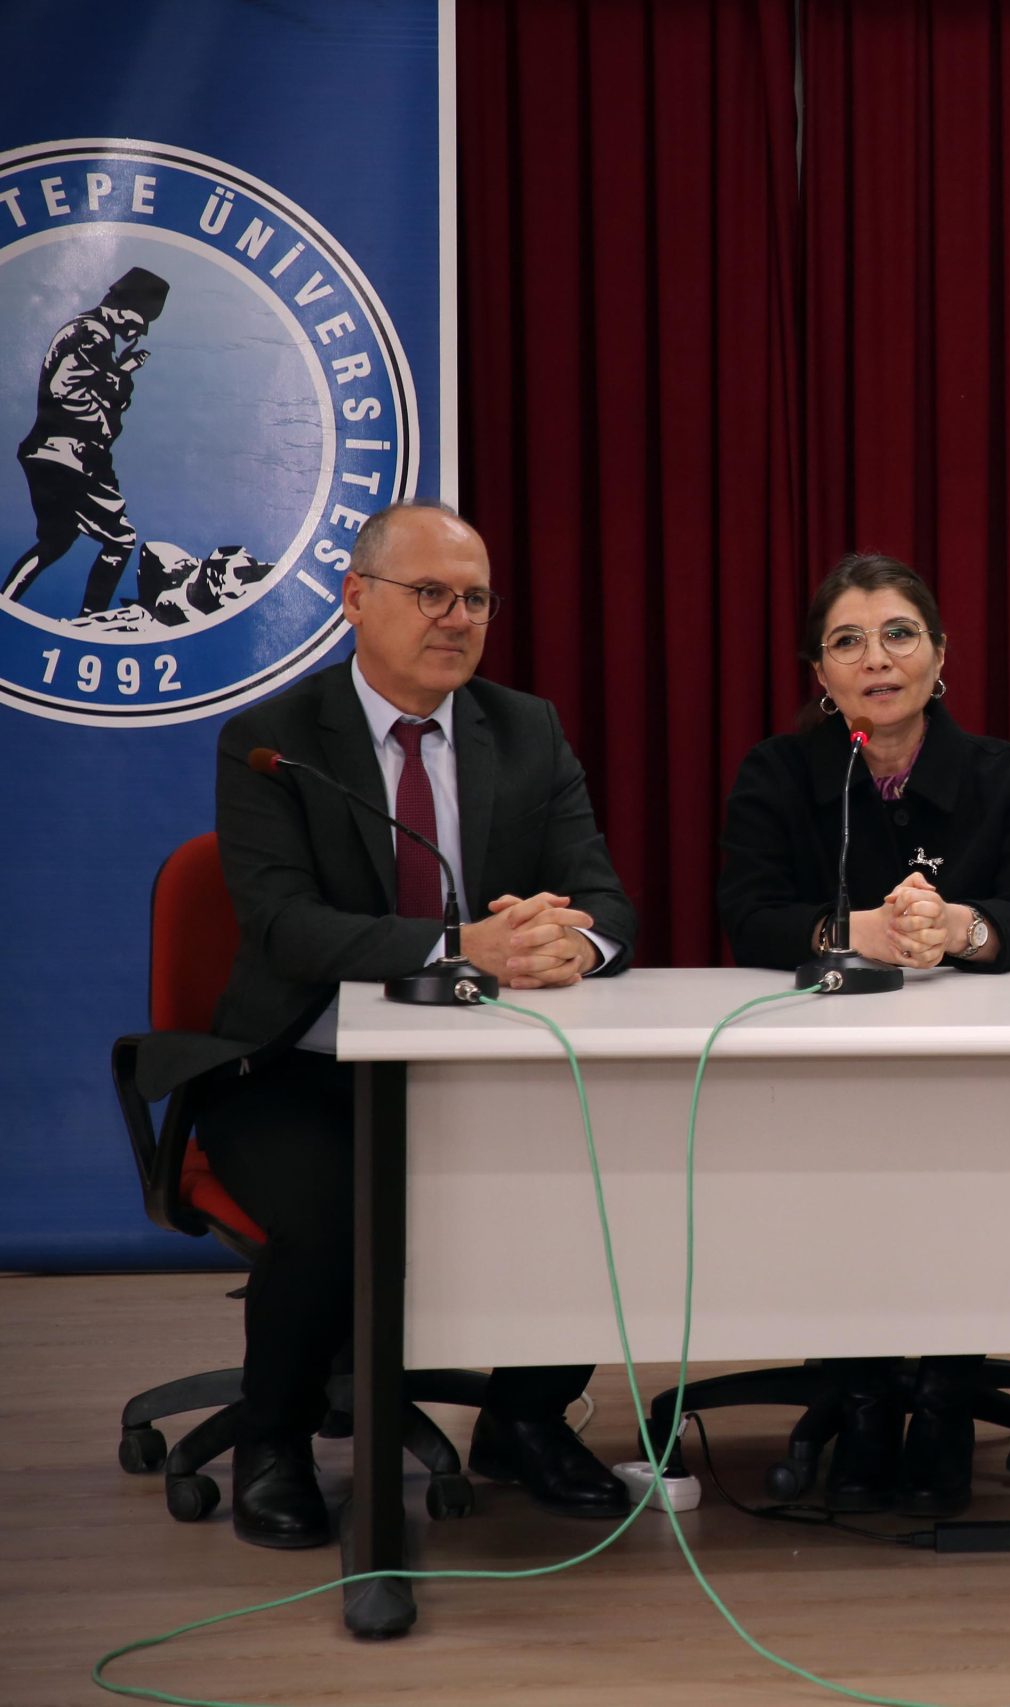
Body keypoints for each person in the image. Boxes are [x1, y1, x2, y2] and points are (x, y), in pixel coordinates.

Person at [137, 502, 640, 1548]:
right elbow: (284, 926)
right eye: (431, 594)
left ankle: (526, 1421)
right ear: (356, 598)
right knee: (332, 1209)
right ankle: (275, 1439)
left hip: (477, 1068)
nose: (456, 618)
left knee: (596, 1172)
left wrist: (573, 945)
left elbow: (602, 897)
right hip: (295, 1063)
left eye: (476, 599)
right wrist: (460, 945)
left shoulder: (526, 730)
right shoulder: (275, 741)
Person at [717, 551, 1010, 1516]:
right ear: (821, 675)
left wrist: (961, 928)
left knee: (961, 1187)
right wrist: (855, 932)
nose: (876, 659)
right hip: (813, 1070)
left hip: (972, 1075)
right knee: (842, 1190)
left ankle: (948, 1397)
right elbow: (747, 915)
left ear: (940, 654)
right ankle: (863, 1398)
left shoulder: (1003, 775)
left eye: (899, 634)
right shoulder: (779, 773)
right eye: (848, 641)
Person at [5, 266, 167, 616]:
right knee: (121, 539)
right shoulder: (93, 333)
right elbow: (67, 393)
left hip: (50, 455)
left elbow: (90, 387)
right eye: (142, 319)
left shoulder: (91, 334)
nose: (142, 331)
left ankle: (5, 603)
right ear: (124, 306)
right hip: (69, 458)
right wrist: (119, 380)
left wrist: (119, 375)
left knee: (55, 542)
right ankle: (90, 620)